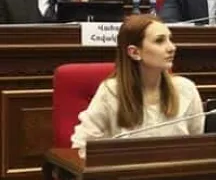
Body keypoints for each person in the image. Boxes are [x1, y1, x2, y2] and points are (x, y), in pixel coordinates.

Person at [71, 15, 204, 157]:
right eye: (159, 41)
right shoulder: (111, 91)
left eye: (170, 39)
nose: (172, 47)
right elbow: (82, 145)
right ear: (134, 52)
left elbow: (198, 145)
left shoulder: (186, 89)